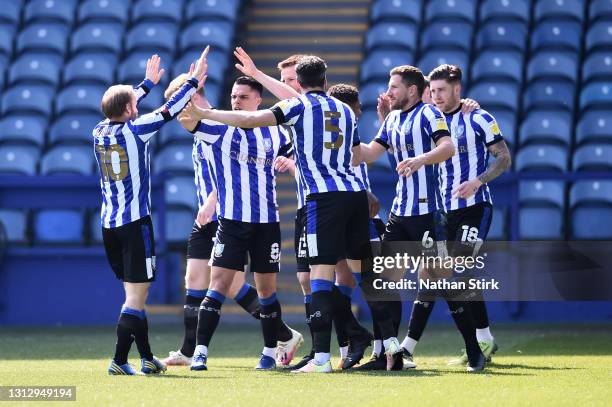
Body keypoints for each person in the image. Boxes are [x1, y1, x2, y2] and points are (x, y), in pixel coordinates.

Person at [182, 56, 371, 373]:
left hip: (308, 205)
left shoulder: (291, 116)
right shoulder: (343, 112)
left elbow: (256, 120)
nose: (284, 87)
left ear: (298, 82)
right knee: (343, 275)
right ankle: (382, 344)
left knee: (320, 276)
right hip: (343, 196)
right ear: (325, 80)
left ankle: (325, 353)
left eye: (289, 81)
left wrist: (205, 110)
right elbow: (356, 155)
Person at [160, 73, 300, 367]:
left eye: (182, 95)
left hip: (235, 214)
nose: (236, 101)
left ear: (195, 95)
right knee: (201, 281)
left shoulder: (220, 125)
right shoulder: (211, 124)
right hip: (218, 216)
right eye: (234, 97)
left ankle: (279, 338)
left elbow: (295, 151)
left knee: (233, 285)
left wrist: (213, 199)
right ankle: (192, 351)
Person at [358, 65, 487, 371]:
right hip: (400, 214)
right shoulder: (392, 119)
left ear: (412, 90)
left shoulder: (430, 115)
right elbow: (371, 153)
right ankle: (388, 356)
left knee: (441, 281)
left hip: (430, 215)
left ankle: (474, 349)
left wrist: (420, 159)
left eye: (394, 87)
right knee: (382, 282)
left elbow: (447, 147)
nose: (389, 92)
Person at [96, 49, 208, 375]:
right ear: (130, 109)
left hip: (109, 225)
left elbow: (120, 106)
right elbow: (169, 111)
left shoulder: (99, 132)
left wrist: (145, 84)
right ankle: (118, 360)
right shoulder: (136, 130)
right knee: (135, 298)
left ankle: (147, 358)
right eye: (134, 102)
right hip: (135, 224)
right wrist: (192, 81)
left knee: (134, 295)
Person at [401, 64, 511, 369]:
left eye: (441, 91)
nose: (435, 96)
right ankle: (414, 347)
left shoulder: (479, 117)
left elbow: (503, 157)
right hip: (441, 212)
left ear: (457, 90)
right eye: (432, 91)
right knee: (429, 274)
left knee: (458, 272)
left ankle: (476, 343)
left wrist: (478, 180)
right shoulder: (431, 120)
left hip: (475, 208)